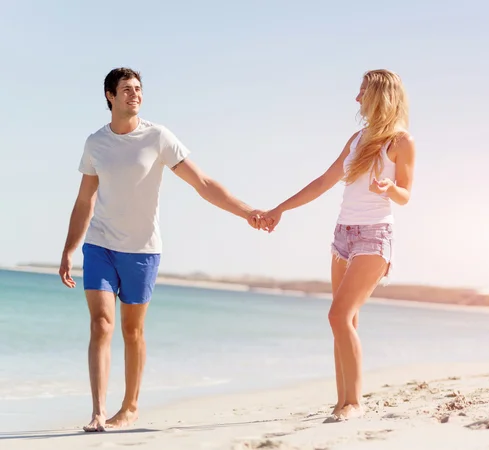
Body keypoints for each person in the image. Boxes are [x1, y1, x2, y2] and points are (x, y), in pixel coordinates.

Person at [58, 67, 263, 432]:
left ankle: (130, 406)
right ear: (109, 96)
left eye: (138, 89)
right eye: (126, 89)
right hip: (100, 244)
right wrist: (69, 249)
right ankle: (98, 412)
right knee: (100, 324)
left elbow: (203, 183)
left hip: (142, 250)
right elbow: (84, 200)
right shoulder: (96, 144)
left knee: (132, 330)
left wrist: (247, 211)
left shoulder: (158, 137)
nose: (134, 94)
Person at [255, 69, 415, 420]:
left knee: (338, 315)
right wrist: (280, 209)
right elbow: (325, 180)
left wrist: (389, 190)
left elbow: (406, 193)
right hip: (343, 235)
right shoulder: (358, 139)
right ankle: (342, 400)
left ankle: (355, 403)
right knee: (346, 321)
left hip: (374, 237)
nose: (357, 99)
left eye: (362, 93)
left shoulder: (401, 142)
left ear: (378, 96)